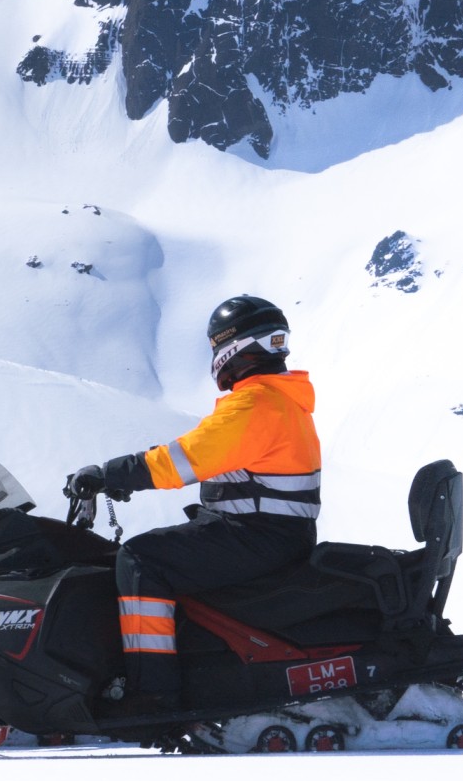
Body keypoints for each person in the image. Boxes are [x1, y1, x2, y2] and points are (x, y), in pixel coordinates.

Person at [68, 295, 320, 713]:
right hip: (269, 534)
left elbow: (183, 460)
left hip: (257, 537)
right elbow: (203, 452)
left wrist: (109, 474)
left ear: (232, 348)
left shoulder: (255, 403)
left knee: (140, 560)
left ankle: (152, 693)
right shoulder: (279, 399)